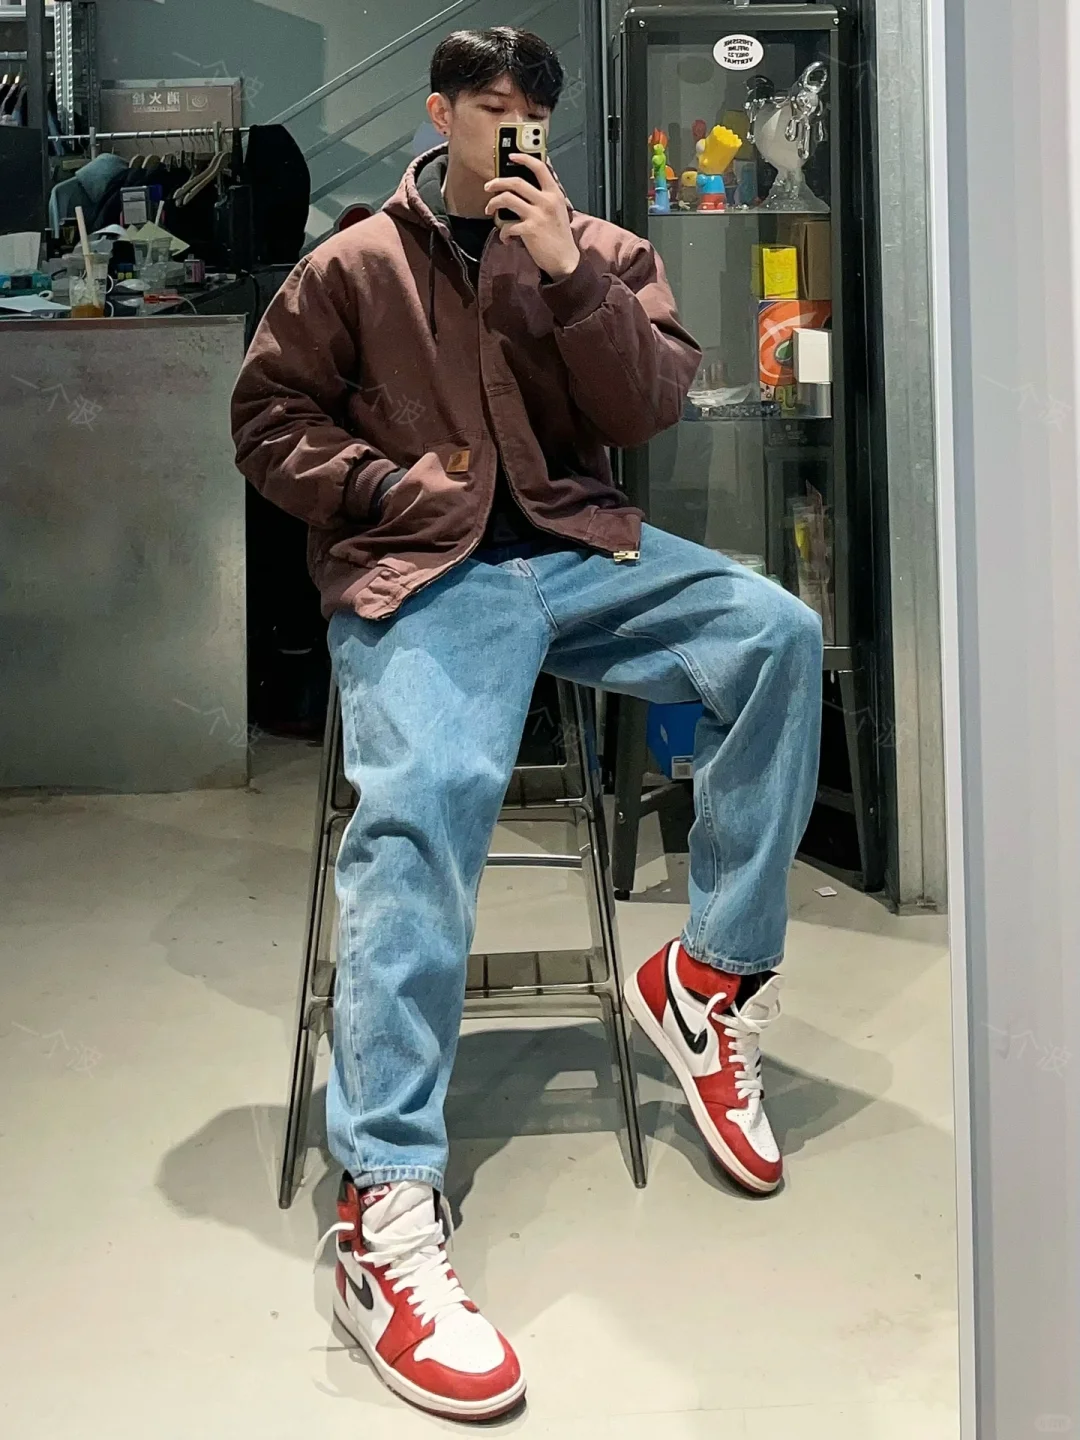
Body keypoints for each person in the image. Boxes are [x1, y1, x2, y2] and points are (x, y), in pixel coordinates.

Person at [232, 26, 822, 1424]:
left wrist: (567, 275)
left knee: (778, 637)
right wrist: (388, 492)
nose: (512, 133)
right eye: (490, 109)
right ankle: (384, 1200)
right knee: (424, 798)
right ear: (441, 114)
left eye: (532, 115)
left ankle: (708, 980)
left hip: (575, 551)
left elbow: (649, 404)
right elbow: (267, 418)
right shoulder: (353, 265)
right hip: (427, 574)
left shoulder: (595, 248)